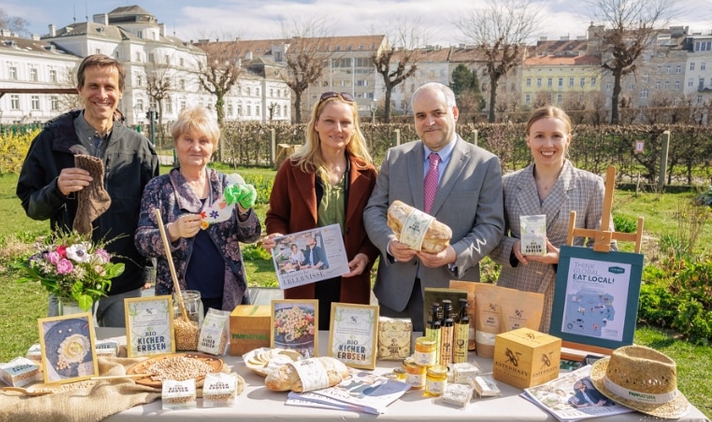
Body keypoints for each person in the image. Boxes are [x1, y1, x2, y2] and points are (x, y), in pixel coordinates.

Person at [17, 54, 159, 327]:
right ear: (80, 89)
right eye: (93, 86)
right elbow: (31, 205)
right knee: (70, 360)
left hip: (126, 281)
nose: (102, 94)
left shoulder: (139, 148)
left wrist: (148, 274)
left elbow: (151, 217)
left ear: (120, 92)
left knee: (125, 362)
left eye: (109, 87)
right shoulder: (52, 142)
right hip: (71, 283)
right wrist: (56, 189)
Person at [363, 82, 504, 332]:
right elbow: (374, 210)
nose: (429, 122)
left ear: (455, 113)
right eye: (421, 116)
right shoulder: (395, 158)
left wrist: (454, 254)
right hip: (396, 294)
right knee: (390, 368)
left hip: (451, 292)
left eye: (437, 113)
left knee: (444, 368)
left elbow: (490, 226)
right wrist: (389, 244)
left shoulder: (484, 164)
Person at [488, 106, 617, 333]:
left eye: (556, 136)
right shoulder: (508, 184)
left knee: (560, 363)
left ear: (568, 139)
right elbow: (491, 237)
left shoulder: (591, 185)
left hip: (569, 295)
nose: (548, 145)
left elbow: (608, 250)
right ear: (528, 140)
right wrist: (513, 247)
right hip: (517, 292)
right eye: (539, 136)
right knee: (512, 362)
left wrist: (563, 257)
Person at [263, 91, 379, 330]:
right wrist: (277, 235)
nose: (338, 128)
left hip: (350, 278)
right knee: (304, 344)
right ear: (316, 124)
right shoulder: (292, 168)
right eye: (329, 121)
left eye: (345, 122)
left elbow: (375, 225)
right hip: (305, 278)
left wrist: (366, 255)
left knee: (346, 348)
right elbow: (276, 216)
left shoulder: (368, 174)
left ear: (354, 127)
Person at [135, 106, 260, 313]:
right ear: (176, 143)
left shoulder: (226, 185)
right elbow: (142, 242)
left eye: (204, 140)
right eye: (188, 139)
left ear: (213, 146)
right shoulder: (159, 188)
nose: (196, 147)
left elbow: (250, 236)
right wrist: (173, 231)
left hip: (228, 297)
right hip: (180, 301)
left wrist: (245, 211)